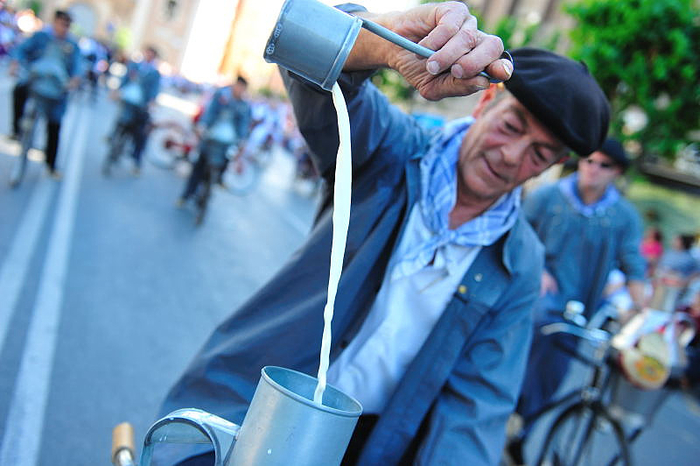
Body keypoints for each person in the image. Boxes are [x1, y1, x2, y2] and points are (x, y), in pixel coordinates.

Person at [159, 3, 610, 465]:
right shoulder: (390, 151)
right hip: (259, 405)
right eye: (511, 127)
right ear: (486, 101)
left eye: (539, 154)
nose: (513, 156)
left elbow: (475, 411)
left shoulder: (519, 262)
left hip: (369, 446)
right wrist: (386, 41)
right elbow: (299, 43)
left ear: (555, 166)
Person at [508, 138, 647, 463]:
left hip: (578, 314)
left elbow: (633, 265)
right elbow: (515, 232)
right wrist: (537, 267)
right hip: (531, 304)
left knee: (551, 380)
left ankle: (522, 432)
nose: (593, 169)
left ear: (617, 172)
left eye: (604, 165)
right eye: (588, 161)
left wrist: (643, 311)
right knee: (514, 365)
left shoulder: (624, 216)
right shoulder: (547, 197)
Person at [8, 10, 81, 178]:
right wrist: (15, 63)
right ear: (55, 22)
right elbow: (21, 50)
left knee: (55, 123)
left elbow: (77, 66)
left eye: (67, 25)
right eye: (62, 23)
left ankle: (51, 164)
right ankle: (16, 129)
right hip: (36, 79)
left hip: (56, 87)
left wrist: (74, 80)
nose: (64, 28)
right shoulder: (41, 37)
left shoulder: (72, 45)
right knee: (19, 90)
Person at [176, 76, 251, 207]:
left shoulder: (244, 106)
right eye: (237, 86)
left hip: (227, 142)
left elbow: (243, 125)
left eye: (241, 88)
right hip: (212, 135)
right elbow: (210, 112)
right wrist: (202, 126)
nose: (238, 89)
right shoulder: (221, 96)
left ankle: (215, 183)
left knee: (227, 160)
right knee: (199, 165)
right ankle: (186, 195)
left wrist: (242, 140)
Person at [110, 45, 161, 175]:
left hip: (141, 105)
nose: (148, 56)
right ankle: (113, 137)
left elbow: (154, 90)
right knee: (121, 118)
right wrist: (116, 91)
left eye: (151, 55)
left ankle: (137, 160)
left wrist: (151, 102)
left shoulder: (155, 73)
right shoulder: (134, 66)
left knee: (140, 134)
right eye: (147, 53)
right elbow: (125, 80)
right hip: (129, 100)